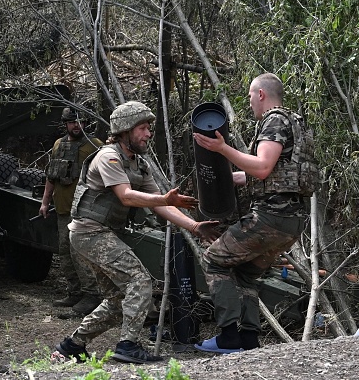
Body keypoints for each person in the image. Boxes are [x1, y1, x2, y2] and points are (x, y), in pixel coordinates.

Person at [53, 101, 220, 364]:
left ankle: (71, 345)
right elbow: (128, 197)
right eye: (142, 128)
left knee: (119, 300)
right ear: (125, 130)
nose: (148, 134)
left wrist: (194, 226)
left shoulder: (139, 165)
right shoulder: (108, 156)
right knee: (139, 281)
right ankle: (128, 345)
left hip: (99, 234)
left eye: (149, 128)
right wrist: (165, 200)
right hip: (89, 232)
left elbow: (160, 203)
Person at [192, 73, 310, 354]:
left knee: (214, 260)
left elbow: (262, 167)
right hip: (291, 221)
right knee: (245, 274)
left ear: (260, 95)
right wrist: (230, 177)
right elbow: (270, 173)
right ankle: (247, 339)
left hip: (272, 216)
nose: (249, 104)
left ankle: (228, 336)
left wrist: (222, 148)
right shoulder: (294, 122)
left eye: (249, 97)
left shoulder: (274, 120)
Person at [39, 107, 104, 315]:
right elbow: (52, 175)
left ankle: (92, 295)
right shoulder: (59, 144)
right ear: (66, 124)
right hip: (63, 208)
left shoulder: (95, 146)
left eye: (80, 122)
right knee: (65, 252)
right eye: (72, 122)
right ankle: (75, 291)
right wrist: (45, 201)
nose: (76, 126)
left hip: (85, 210)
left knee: (81, 254)